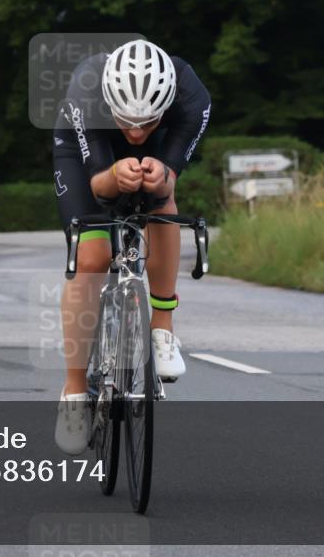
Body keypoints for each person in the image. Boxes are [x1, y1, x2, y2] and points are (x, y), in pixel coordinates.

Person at [52, 39, 211, 454]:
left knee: (162, 201)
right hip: (86, 150)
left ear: (168, 104)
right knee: (93, 257)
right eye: (128, 120)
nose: (137, 132)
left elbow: (171, 176)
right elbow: (99, 186)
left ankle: (162, 328)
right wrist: (114, 174)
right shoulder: (87, 88)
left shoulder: (192, 98)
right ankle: (73, 392)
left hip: (154, 157)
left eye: (148, 121)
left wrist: (162, 174)